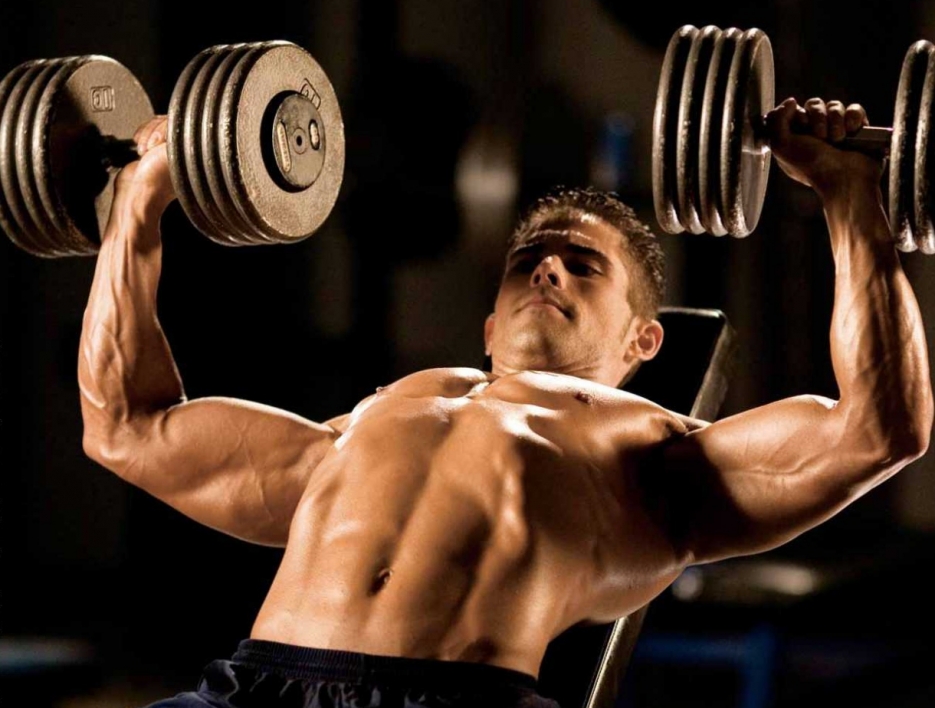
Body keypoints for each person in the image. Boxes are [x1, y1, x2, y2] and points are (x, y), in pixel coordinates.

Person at [77, 96, 933, 708]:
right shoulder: (370, 420)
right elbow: (125, 425)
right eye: (528, 260)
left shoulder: (658, 457)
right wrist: (140, 203)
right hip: (251, 687)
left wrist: (845, 193)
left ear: (644, 340)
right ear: (489, 326)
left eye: (581, 265)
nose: (546, 267)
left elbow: (876, 429)